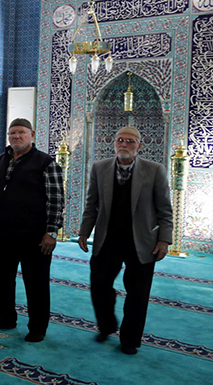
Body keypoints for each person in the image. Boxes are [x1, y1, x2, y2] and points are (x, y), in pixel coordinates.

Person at [78, 126, 172, 355]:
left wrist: (164, 241)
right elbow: (91, 204)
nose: (124, 144)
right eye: (120, 140)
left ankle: (130, 340)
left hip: (142, 242)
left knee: (138, 294)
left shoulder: (155, 170)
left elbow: (165, 210)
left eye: (130, 141)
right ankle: (107, 325)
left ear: (139, 146)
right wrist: (84, 232)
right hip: (107, 240)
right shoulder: (100, 168)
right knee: (99, 287)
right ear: (114, 144)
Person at [0, 118, 64, 343]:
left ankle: (38, 327)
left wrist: (51, 232)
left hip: (35, 237)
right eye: (12, 133)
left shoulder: (46, 163)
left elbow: (56, 200)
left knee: (36, 284)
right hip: (3, 235)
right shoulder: (0, 161)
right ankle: (5, 318)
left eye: (21, 132)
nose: (16, 136)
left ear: (32, 134)